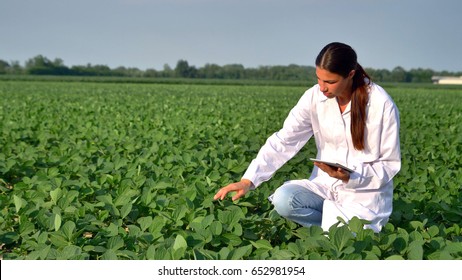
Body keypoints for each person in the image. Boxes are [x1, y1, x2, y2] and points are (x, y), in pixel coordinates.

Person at [213, 42, 401, 233]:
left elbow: (389, 164)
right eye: (319, 79)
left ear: (350, 75)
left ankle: (336, 233)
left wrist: (351, 176)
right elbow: (285, 140)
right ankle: (331, 232)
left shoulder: (381, 104)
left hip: (364, 197)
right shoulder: (313, 97)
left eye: (330, 82)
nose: (322, 88)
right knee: (284, 200)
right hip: (325, 188)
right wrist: (248, 181)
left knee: (354, 238)